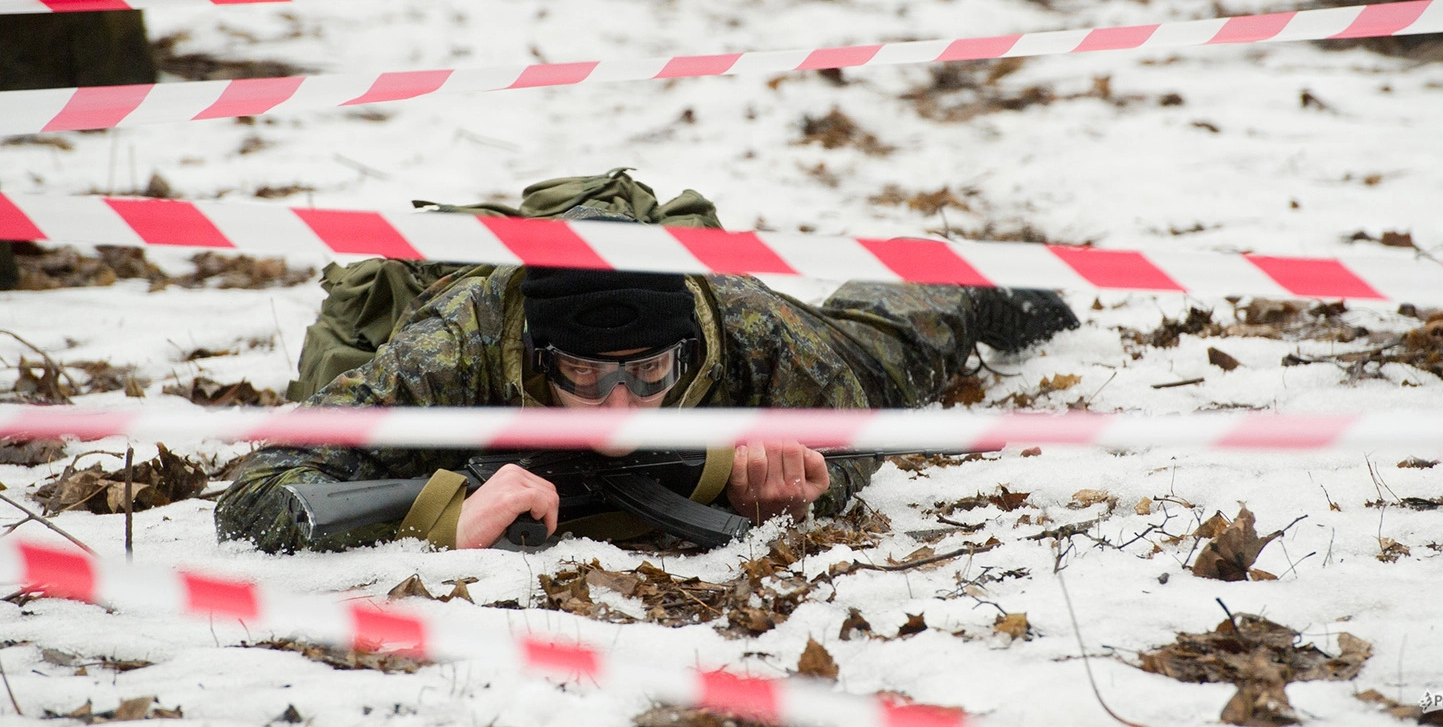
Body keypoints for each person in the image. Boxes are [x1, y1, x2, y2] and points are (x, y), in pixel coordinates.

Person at [215, 173, 1079, 553]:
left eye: (650, 376)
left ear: (687, 350)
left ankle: (963, 281)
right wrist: (443, 516)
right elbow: (257, 493)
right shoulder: (455, 347)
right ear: (536, 357)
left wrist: (808, 482)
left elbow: (856, 421)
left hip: (765, 344)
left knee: (894, 349)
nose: (622, 407)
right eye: (585, 379)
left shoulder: (738, 320)